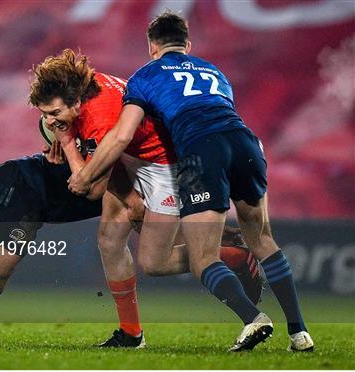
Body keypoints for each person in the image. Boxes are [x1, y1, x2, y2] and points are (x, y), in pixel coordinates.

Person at [68, 12, 313, 352]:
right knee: (262, 238)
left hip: (203, 152)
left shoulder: (146, 75)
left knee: (203, 258)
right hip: (247, 143)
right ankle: (300, 334)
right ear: (188, 45)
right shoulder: (215, 72)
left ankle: (253, 319)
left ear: (152, 45)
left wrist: (87, 173)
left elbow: (123, 135)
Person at [0, 144, 260, 344]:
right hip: (20, 187)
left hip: (28, 193)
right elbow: (149, 225)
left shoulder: (141, 173)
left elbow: (152, 225)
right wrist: (222, 246)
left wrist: (220, 238)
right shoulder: (137, 175)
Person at [29, 49, 261, 348]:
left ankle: (236, 256)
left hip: (166, 167)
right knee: (110, 238)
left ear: (74, 101)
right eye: (44, 114)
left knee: (155, 262)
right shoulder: (84, 88)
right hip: (134, 154)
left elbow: (91, 188)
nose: (49, 121)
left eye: (55, 114)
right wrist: (66, 128)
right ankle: (131, 333)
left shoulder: (98, 119)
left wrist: (66, 142)